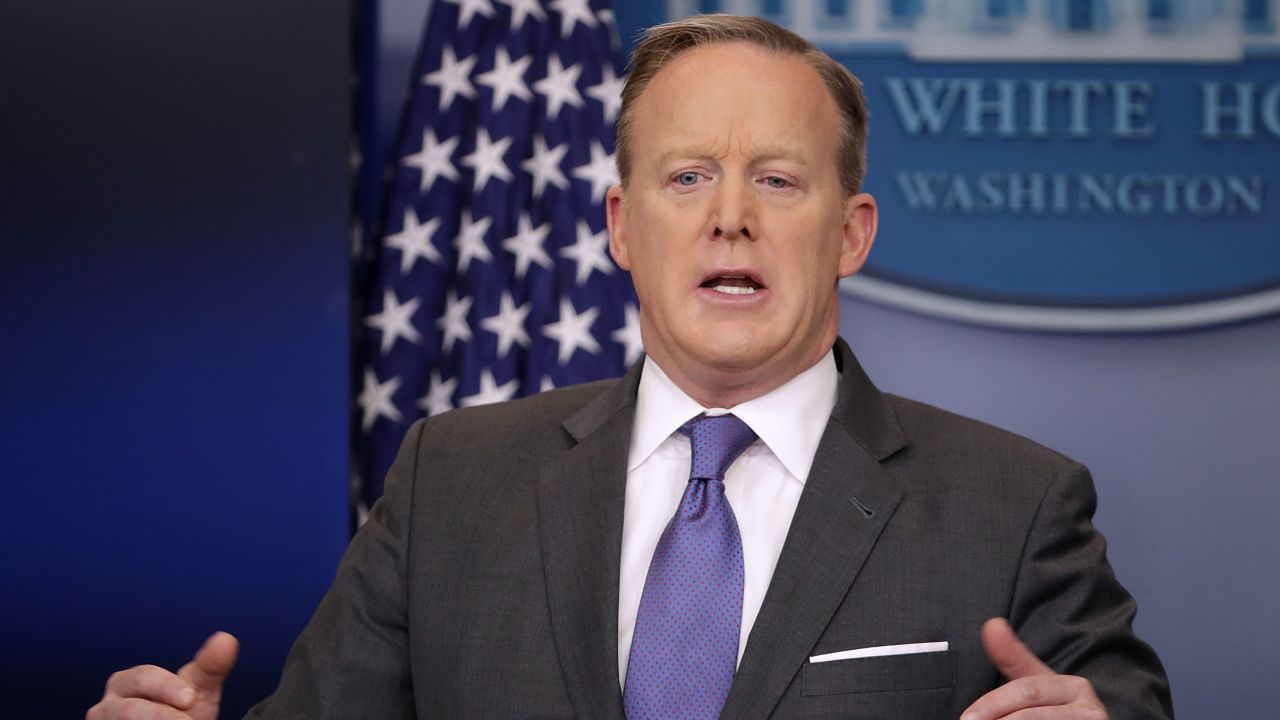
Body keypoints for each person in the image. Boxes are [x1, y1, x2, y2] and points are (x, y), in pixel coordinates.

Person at [89, 14, 1172, 720]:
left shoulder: (1013, 503)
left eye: (779, 181)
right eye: (687, 176)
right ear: (618, 224)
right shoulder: (448, 482)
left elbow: (1113, 705)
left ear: (850, 233)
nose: (730, 219)